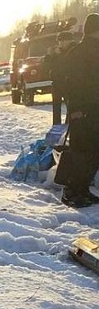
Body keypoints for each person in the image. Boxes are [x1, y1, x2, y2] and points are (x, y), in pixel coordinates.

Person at [53, 13, 99, 208]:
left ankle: (82, 190)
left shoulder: (91, 50)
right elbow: (73, 85)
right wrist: (75, 109)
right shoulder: (79, 53)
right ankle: (72, 191)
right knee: (82, 151)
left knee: (93, 152)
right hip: (83, 110)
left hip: (93, 108)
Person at [44, 31, 78, 125]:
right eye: (59, 41)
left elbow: (69, 65)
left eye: (63, 41)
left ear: (69, 41)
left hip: (69, 83)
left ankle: (69, 125)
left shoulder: (74, 50)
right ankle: (56, 126)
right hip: (56, 83)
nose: (61, 43)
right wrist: (50, 55)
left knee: (71, 106)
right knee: (56, 108)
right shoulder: (57, 52)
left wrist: (60, 55)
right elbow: (47, 65)